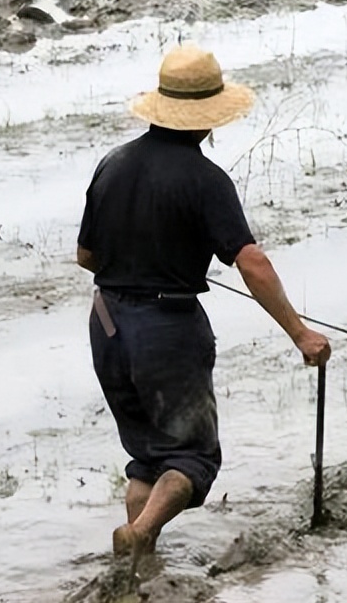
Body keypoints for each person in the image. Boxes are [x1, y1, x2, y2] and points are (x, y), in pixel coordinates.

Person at [76, 43, 331, 563]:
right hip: (164, 329)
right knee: (192, 459)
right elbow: (252, 262)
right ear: (208, 118)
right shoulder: (205, 180)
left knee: (147, 458)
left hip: (106, 323)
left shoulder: (112, 164)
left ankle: (140, 568)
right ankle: (143, 532)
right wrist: (300, 334)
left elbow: (86, 256)